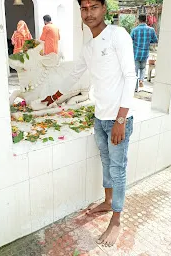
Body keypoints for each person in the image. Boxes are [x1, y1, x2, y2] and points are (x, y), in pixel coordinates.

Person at [41, 0, 136, 246]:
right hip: (100, 117)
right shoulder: (88, 47)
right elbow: (74, 74)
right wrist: (54, 96)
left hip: (118, 119)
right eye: (84, 8)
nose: (88, 13)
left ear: (104, 8)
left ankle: (116, 220)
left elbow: (130, 76)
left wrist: (121, 119)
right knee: (106, 162)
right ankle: (107, 201)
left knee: (118, 168)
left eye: (94, 7)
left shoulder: (117, 35)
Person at [131, 14, 158, 91]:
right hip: (145, 53)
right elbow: (155, 40)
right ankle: (141, 80)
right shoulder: (151, 30)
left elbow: (130, 40)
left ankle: (135, 88)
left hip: (136, 54)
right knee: (143, 68)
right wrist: (148, 41)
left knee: (135, 71)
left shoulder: (134, 30)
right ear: (146, 20)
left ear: (138, 20)